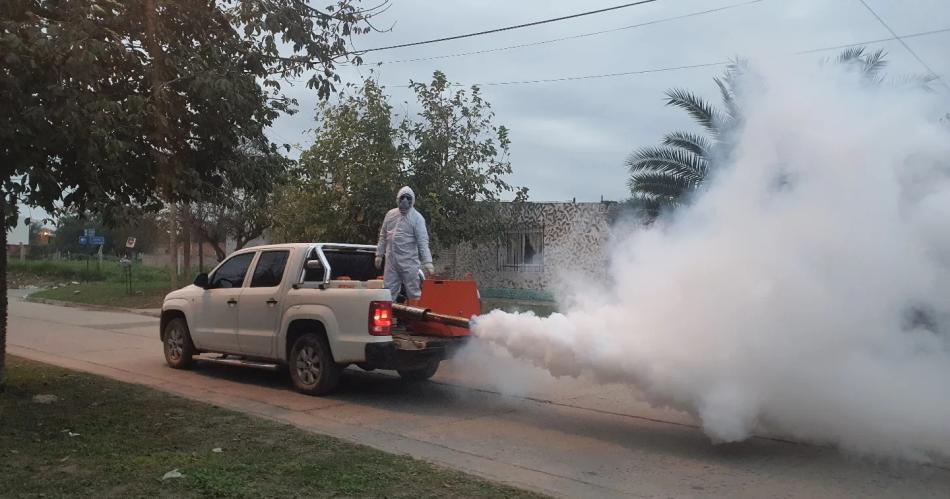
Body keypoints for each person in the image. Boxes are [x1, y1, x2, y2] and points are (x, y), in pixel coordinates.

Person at [375, 186, 434, 301]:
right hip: (391, 261)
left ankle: (415, 317)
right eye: (402, 198)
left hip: (409, 262)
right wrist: (379, 254)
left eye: (408, 198)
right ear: (398, 199)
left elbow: (422, 241)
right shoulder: (390, 215)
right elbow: (383, 236)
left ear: (413, 200)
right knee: (388, 291)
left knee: (414, 292)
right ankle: (388, 316)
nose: (405, 201)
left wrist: (428, 262)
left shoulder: (417, 219)